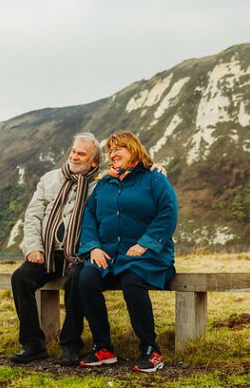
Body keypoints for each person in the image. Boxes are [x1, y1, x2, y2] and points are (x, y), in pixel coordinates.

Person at [77, 132, 178, 373]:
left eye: (119, 147)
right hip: (110, 255)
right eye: (111, 150)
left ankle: (151, 350)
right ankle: (103, 347)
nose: (113, 153)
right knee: (87, 279)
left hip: (147, 255)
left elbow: (168, 212)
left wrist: (145, 243)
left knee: (131, 280)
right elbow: (89, 216)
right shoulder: (105, 183)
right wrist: (94, 247)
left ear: (133, 149)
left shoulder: (154, 179)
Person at [9, 132, 102, 366]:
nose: (75, 156)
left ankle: (70, 345)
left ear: (94, 161)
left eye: (82, 154)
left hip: (78, 255)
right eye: (73, 151)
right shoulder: (50, 179)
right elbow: (33, 215)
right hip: (47, 252)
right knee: (21, 278)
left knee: (76, 280)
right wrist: (33, 247)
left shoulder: (101, 184)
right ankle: (32, 344)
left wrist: (156, 168)